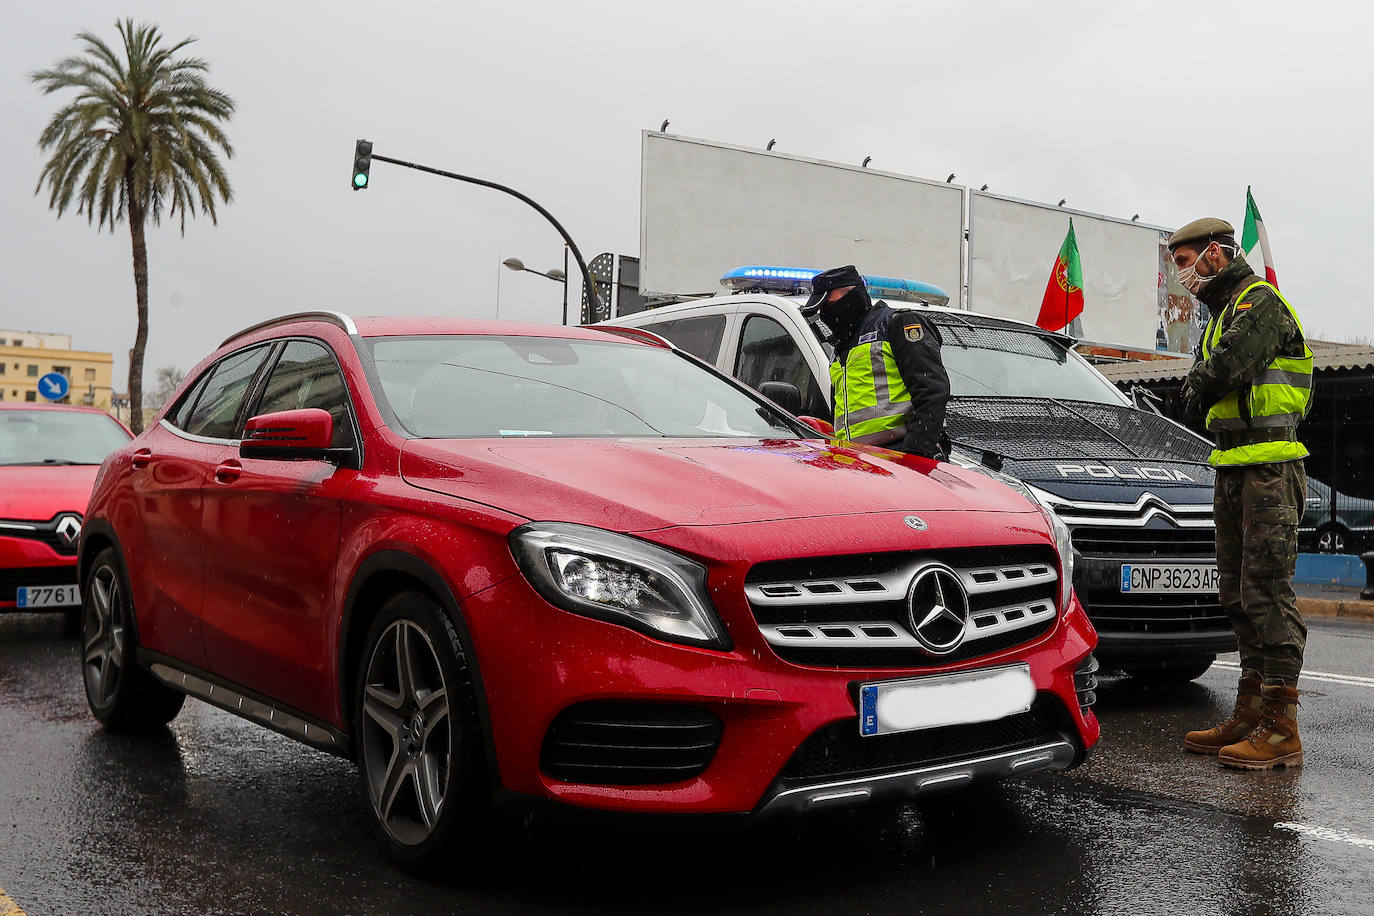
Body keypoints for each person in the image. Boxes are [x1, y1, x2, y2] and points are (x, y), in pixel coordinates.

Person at [1171, 217, 1313, 770]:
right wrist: (1201, 377)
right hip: (1233, 463)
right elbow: (1199, 387)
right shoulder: (1223, 315)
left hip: (1270, 466)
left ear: (1214, 254)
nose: (1180, 276)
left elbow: (1221, 371)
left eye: (1184, 263)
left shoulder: (1260, 304)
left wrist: (1202, 376)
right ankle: (1251, 713)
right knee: (1235, 593)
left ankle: (1281, 728)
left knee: (1267, 594)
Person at [800, 265, 950, 460]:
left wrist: (915, 454)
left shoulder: (897, 324)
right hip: (857, 463)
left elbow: (932, 390)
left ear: (850, 295)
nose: (825, 313)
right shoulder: (840, 349)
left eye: (829, 304)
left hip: (899, 457)